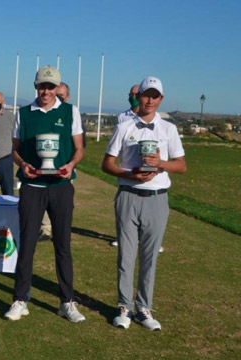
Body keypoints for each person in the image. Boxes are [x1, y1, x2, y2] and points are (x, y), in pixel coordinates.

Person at [102, 76, 186, 331]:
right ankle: (124, 306)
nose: (149, 100)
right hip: (128, 195)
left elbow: (181, 166)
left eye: (155, 95)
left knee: (149, 257)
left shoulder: (169, 129)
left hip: (157, 199)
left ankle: (144, 308)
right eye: (146, 95)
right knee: (126, 255)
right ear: (138, 97)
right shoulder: (125, 127)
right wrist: (129, 174)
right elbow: (107, 164)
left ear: (161, 100)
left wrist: (160, 164)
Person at [4, 66, 86, 323]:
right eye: (42, 86)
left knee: (62, 245)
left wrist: (71, 166)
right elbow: (15, 149)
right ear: (35, 86)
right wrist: (22, 165)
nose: (46, 91)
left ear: (58, 88)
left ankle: (67, 301)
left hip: (61, 187)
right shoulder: (24, 113)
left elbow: (79, 148)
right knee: (27, 245)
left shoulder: (70, 111)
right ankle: (20, 299)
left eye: (51, 87)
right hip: (32, 187)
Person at [112, 83, 164, 252]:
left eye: (136, 94)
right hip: (129, 168)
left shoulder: (157, 119)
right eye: (132, 94)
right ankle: (123, 238)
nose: (133, 97)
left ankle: (149, 239)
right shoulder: (123, 117)